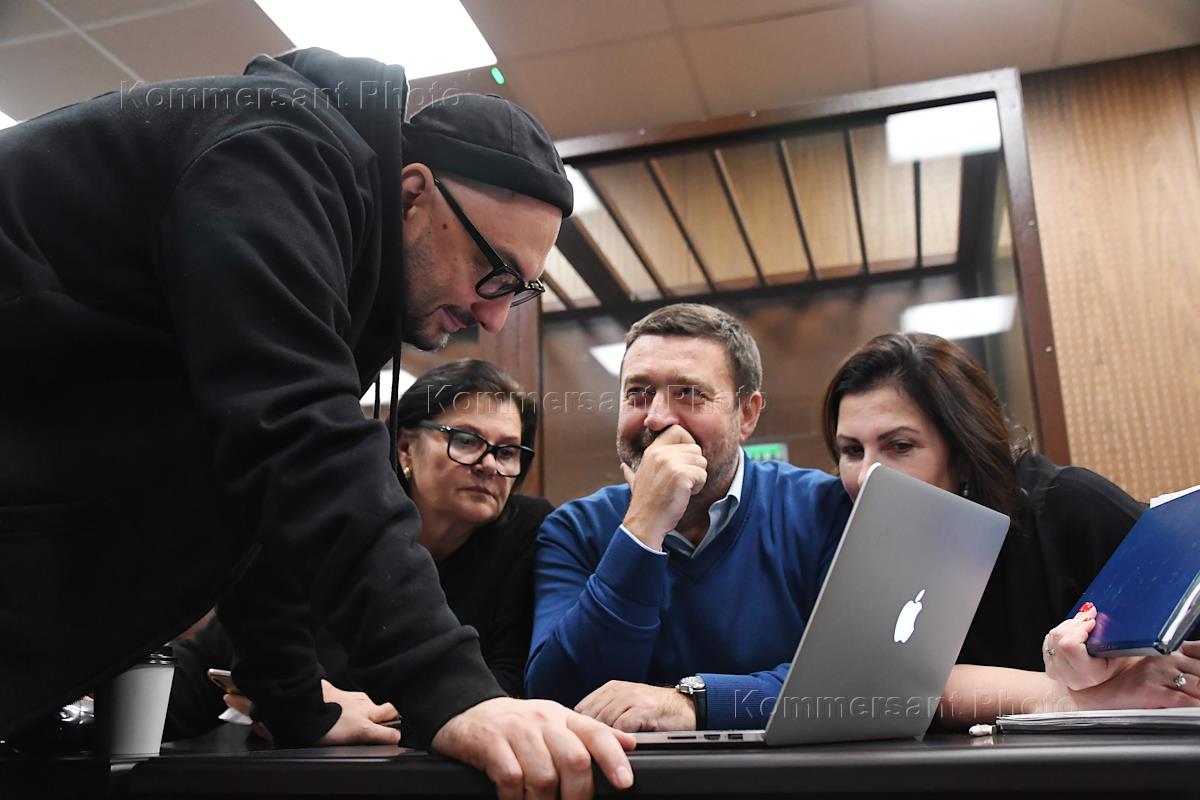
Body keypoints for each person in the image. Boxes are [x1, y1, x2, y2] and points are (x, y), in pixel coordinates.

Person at [0, 47, 633, 794]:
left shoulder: (347, 268)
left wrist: (294, 702)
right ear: (412, 193)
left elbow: (253, 484)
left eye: (519, 290)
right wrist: (453, 691)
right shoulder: (278, 150)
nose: (495, 318)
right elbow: (298, 438)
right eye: (492, 271)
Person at [821, 331, 1200, 721]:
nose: (866, 475)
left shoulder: (1068, 505)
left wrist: (1124, 666)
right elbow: (893, 684)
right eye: (852, 450)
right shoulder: (867, 545)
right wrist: (1070, 696)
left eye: (900, 446)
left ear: (962, 452)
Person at [167, 359, 549, 740]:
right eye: (465, 440)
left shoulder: (527, 531)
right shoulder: (339, 523)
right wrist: (295, 699)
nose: (488, 464)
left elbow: (505, 691)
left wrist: (317, 706)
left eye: (507, 452)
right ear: (405, 448)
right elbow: (213, 662)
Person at [525, 303, 852, 732]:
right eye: (638, 393)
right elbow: (556, 695)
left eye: (689, 393)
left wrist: (694, 703)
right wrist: (642, 529)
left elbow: (852, 680)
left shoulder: (823, 508)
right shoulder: (574, 529)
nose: (657, 417)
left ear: (747, 414)